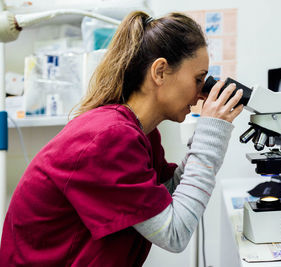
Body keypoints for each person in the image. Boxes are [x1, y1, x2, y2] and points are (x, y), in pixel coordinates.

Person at [0, 11, 243, 266]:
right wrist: (211, 134)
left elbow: (164, 199)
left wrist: (206, 135)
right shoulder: (110, 138)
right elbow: (174, 234)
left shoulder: (140, 133)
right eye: (198, 79)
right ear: (160, 71)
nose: (202, 94)